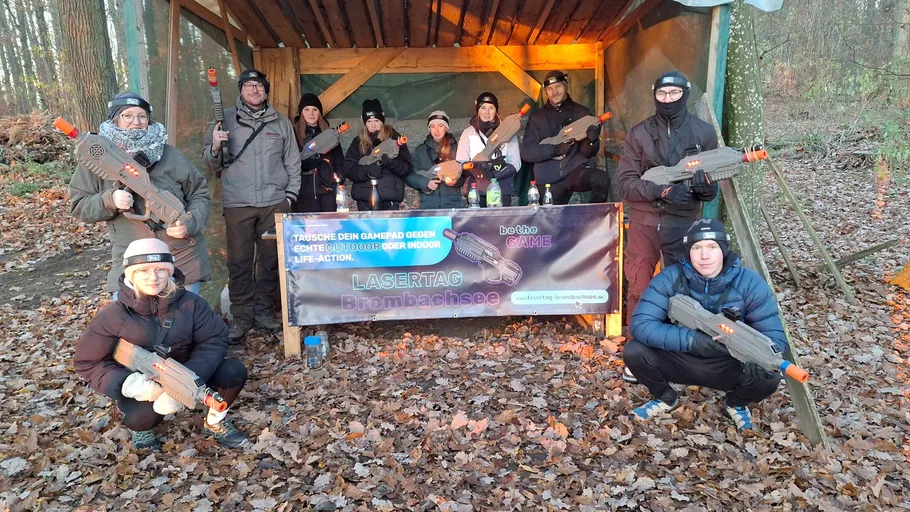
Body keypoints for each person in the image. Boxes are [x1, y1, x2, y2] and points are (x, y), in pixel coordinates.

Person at [73, 238, 250, 450]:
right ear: (132, 274)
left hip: (189, 369)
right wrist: (131, 384)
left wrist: (188, 379)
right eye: (143, 271)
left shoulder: (191, 303)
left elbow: (214, 340)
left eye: (160, 270)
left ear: (170, 271)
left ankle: (215, 423)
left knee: (234, 371)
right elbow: (87, 362)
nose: (153, 278)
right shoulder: (113, 315)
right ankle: (142, 430)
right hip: (144, 380)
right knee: (141, 417)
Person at [623, 219, 785, 430]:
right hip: (680, 358)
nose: (704, 255)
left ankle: (736, 403)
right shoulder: (669, 278)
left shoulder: (751, 284)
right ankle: (665, 397)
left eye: (712, 247)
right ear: (688, 251)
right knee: (634, 351)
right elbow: (641, 325)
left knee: (769, 376)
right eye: (697, 248)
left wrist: (756, 361)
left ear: (723, 250)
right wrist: (692, 341)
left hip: (727, 364)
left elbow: (775, 339)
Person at [70, 92, 211, 297]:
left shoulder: (170, 155)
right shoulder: (96, 158)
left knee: (183, 324)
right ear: (115, 119)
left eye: (142, 116)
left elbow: (200, 194)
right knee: (133, 327)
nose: (135, 122)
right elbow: (79, 205)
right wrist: (109, 200)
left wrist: (189, 222)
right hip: (133, 263)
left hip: (181, 258)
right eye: (127, 116)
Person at [203, 69, 301, 343]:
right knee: (239, 261)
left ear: (266, 91)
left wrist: (289, 196)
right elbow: (210, 164)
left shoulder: (280, 123)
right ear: (241, 90)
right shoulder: (224, 120)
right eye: (248, 86)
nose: (254, 90)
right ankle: (242, 316)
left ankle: (263, 310)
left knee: (271, 260)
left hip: (274, 203)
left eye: (259, 86)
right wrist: (214, 145)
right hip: (238, 203)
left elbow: (293, 161)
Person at [616, 70, 719, 327]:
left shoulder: (703, 133)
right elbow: (626, 184)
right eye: (662, 93)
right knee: (639, 285)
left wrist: (703, 188)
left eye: (674, 93)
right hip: (645, 224)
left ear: (685, 94)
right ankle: (638, 344)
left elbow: (712, 188)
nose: (667, 99)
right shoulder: (639, 134)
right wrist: (663, 191)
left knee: (685, 287)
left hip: (683, 223)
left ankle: (682, 345)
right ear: (654, 96)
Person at [520, 70, 611, 205]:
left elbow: (587, 153)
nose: (554, 92)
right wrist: (554, 150)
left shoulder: (582, 113)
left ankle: (593, 220)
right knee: (550, 221)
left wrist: (592, 141)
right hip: (548, 177)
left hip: (573, 170)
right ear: (546, 91)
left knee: (601, 179)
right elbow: (527, 152)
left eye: (558, 86)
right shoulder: (537, 118)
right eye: (550, 88)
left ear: (566, 87)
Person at [342, 98, 413, 211]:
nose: (373, 125)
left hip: (390, 201)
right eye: (369, 122)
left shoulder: (395, 139)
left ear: (382, 120)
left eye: (376, 121)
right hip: (365, 201)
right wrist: (366, 170)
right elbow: (348, 169)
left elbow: (407, 168)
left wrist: (391, 163)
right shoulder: (358, 142)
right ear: (364, 122)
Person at [456, 92, 521, 206]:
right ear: (477, 109)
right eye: (483, 108)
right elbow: (460, 162)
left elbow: (516, 163)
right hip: (476, 190)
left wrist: (495, 175)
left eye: (491, 108)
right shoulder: (468, 133)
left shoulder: (509, 131)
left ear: (496, 109)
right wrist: (478, 170)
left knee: (501, 223)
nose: (487, 112)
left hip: (502, 189)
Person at [293, 93, 343, 213]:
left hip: (327, 194)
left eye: (315, 109)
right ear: (301, 112)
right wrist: (303, 165)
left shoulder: (330, 135)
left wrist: (337, 181)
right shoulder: (293, 135)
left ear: (319, 113)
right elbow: (288, 162)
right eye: (307, 110)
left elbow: (340, 161)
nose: (311, 113)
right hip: (303, 195)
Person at [406, 111, 466, 209]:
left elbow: (467, 174)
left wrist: (455, 182)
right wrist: (425, 183)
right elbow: (409, 176)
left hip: (453, 206)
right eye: (433, 126)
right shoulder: (420, 151)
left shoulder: (458, 149)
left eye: (440, 126)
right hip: (428, 207)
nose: (436, 130)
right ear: (429, 128)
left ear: (446, 127)